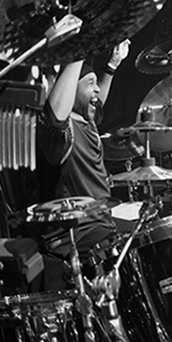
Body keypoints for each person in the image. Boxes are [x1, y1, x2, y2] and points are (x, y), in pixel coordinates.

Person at [35, 40, 130, 285]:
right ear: (69, 91)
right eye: (90, 83)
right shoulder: (62, 131)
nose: (97, 89)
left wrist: (112, 66)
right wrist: (79, 47)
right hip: (76, 234)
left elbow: (98, 101)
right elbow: (56, 114)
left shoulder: (87, 121)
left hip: (98, 223)